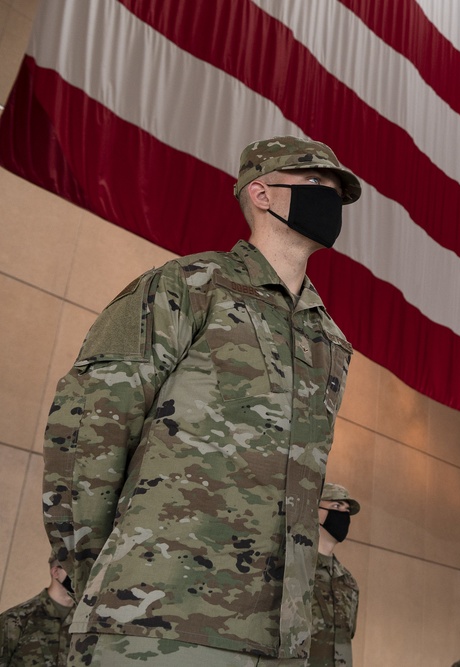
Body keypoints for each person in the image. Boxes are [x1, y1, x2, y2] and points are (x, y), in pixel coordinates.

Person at [42, 135, 361, 665]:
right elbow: (89, 427)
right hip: (154, 617)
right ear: (261, 193)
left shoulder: (327, 338)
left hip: (278, 637)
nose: (328, 199)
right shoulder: (187, 286)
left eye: (334, 191)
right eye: (313, 184)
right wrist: (93, 571)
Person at [309, 483, 361, 667]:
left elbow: (348, 636)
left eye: (347, 511)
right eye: (336, 507)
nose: (343, 516)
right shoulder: (296, 570)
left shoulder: (348, 582)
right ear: (314, 510)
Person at [0, 560, 75, 666]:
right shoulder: (16, 618)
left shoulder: (88, 620)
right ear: (56, 572)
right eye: (73, 569)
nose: (81, 574)